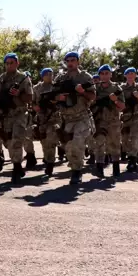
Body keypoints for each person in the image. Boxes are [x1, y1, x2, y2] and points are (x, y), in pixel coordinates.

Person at [52, 52, 96, 184]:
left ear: (78, 61)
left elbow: (93, 96)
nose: (70, 63)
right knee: (68, 147)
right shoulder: (60, 78)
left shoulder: (85, 77)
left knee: (77, 143)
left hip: (82, 117)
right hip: (67, 119)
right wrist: (58, 98)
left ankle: (77, 172)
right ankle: (75, 167)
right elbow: (52, 96)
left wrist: (82, 92)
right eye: (68, 61)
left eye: (73, 60)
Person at [0, 53, 33, 183]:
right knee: (8, 142)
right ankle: (18, 166)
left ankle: (15, 169)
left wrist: (19, 94)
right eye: (7, 63)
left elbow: (30, 98)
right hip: (5, 116)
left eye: (11, 63)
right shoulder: (0, 80)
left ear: (17, 63)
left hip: (19, 114)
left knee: (16, 141)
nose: (9, 65)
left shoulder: (23, 78)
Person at [90, 64, 125, 178]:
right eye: (102, 74)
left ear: (110, 74)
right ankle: (99, 167)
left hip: (113, 120)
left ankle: (116, 167)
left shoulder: (116, 88)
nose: (104, 76)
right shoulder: (95, 88)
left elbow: (122, 107)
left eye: (106, 73)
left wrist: (115, 101)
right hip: (99, 120)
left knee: (114, 143)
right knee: (99, 143)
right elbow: (89, 103)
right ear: (99, 75)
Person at [32, 67, 61, 177]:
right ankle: (48, 159)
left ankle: (50, 164)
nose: (49, 75)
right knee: (44, 141)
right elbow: (32, 102)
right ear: (42, 76)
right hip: (41, 119)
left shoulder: (56, 87)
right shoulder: (36, 88)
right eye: (47, 74)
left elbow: (63, 100)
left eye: (51, 73)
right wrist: (35, 107)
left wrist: (56, 101)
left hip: (54, 118)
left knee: (51, 139)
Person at [120, 67, 138, 172]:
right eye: (128, 73)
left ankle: (132, 160)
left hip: (137, 117)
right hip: (125, 117)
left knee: (135, 138)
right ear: (125, 76)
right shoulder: (121, 88)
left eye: (133, 73)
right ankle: (130, 155)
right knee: (125, 139)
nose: (131, 75)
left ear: (136, 76)